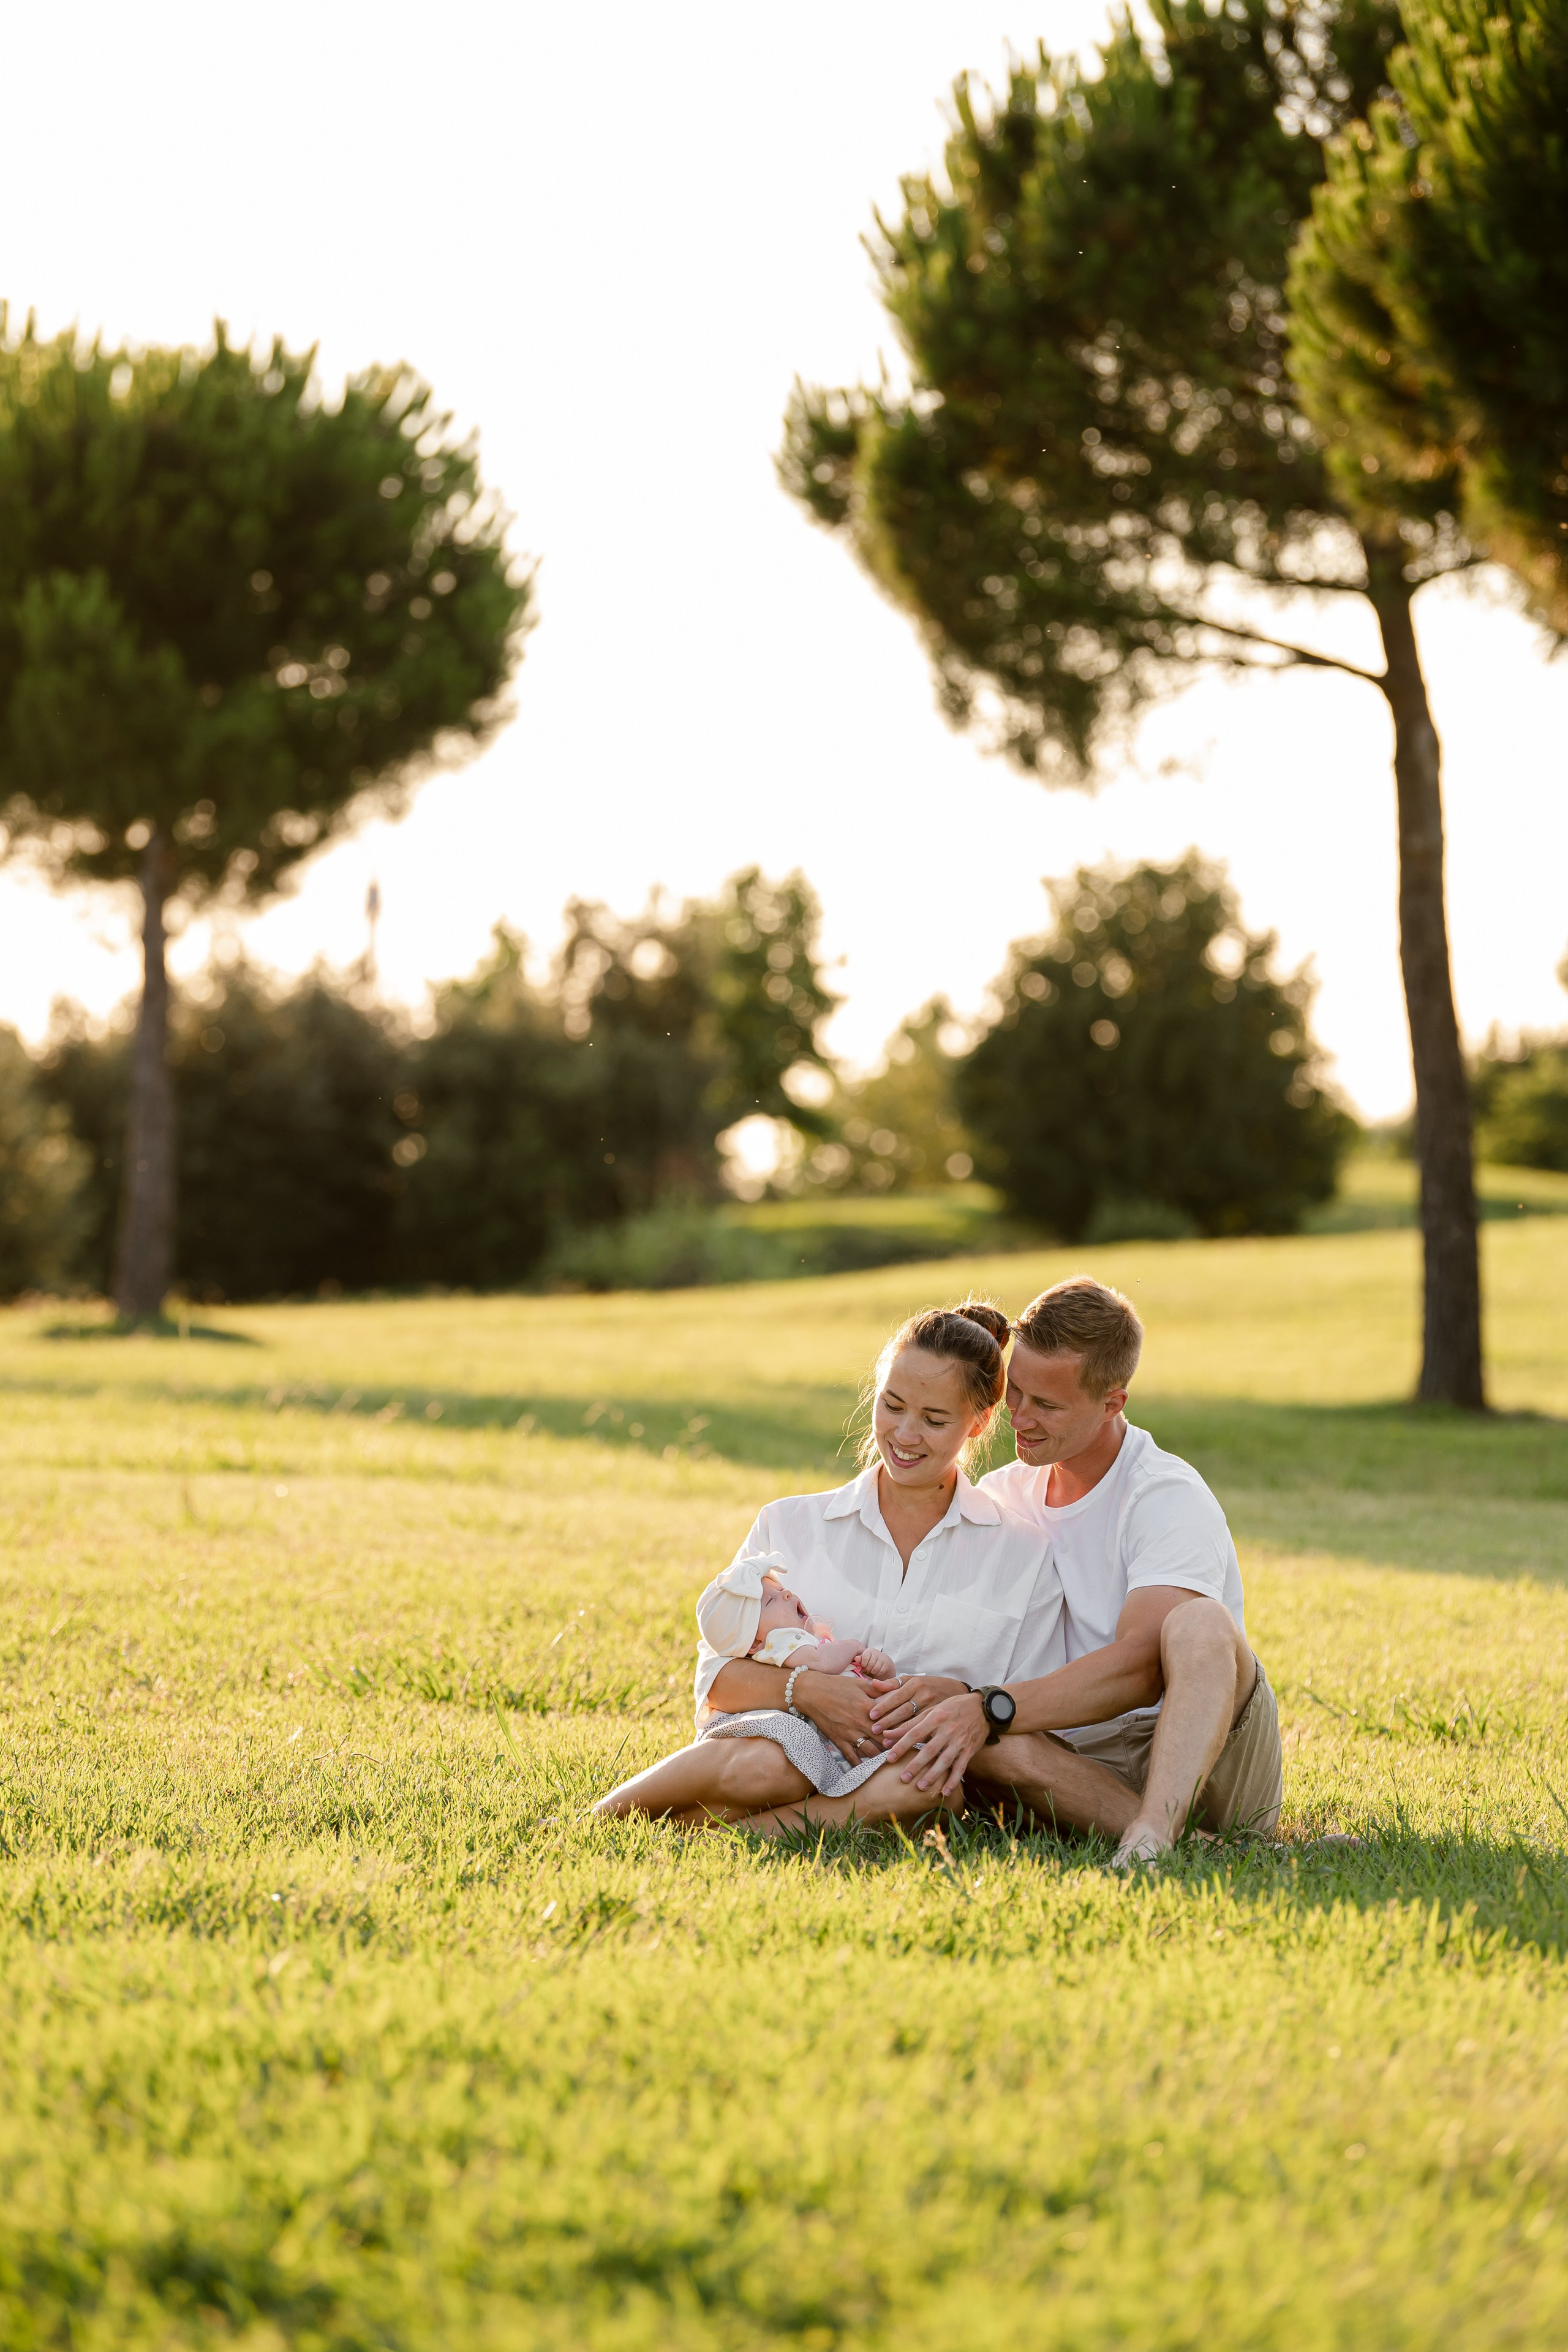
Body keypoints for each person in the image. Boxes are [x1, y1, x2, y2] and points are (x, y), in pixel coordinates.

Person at [596, 1299, 1153, 1835]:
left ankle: (722, 1833)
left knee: (929, 1789)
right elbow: (716, 1679)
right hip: (774, 1743)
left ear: (979, 1422)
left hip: (898, 1777)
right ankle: (600, 1820)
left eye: (934, 1420)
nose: (905, 1436)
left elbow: (1025, 1715)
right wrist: (806, 1692)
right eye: (891, 1406)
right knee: (766, 1767)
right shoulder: (789, 1525)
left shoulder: (1024, 1553)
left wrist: (956, 1694)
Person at [871, 1275, 1283, 1865]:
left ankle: (1157, 1835)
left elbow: (1143, 1669)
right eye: (1015, 1393)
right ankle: (1202, 1849)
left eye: (1047, 1405)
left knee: (1200, 1623)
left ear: (1113, 1402)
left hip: (1202, 1749)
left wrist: (991, 1705)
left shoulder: (1164, 1495)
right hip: (1072, 1753)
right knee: (972, 1736)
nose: (1019, 1416)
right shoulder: (1004, 1492)